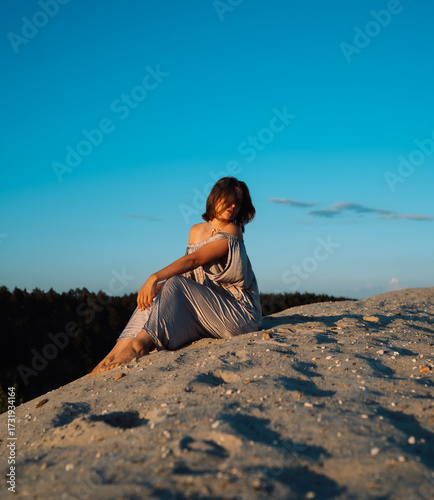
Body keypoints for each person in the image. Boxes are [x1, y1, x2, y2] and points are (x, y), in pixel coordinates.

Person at [89, 177, 261, 376]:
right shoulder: (196, 231)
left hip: (239, 314)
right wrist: (157, 289)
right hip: (206, 311)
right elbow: (190, 276)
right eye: (229, 199)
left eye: (238, 203)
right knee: (154, 297)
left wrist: (153, 277)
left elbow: (194, 260)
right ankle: (110, 358)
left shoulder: (233, 230)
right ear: (215, 197)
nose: (233, 207)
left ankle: (138, 348)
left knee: (172, 282)